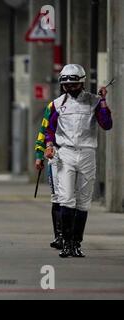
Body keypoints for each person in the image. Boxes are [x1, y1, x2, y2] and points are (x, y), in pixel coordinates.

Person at [45, 64, 113, 258]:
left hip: (87, 153)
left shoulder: (94, 101)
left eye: (74, 85)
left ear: (82, 82)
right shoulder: (58, 104)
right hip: (65, 153)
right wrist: (49, 146)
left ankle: (76, 243)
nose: (70, 88)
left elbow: (107, 124)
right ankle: (65, 243)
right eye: (66, 85)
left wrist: (103, 101)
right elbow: (50, 129)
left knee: (83, 202)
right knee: (66, 199)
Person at [34, 103, 63, 250]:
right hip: (56, 154)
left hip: (79, 155)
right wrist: (40, 154)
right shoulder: (54, 105)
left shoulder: (86, 102)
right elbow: (43, 130)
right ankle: (59, 236)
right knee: (57, 196)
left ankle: (72, 238)